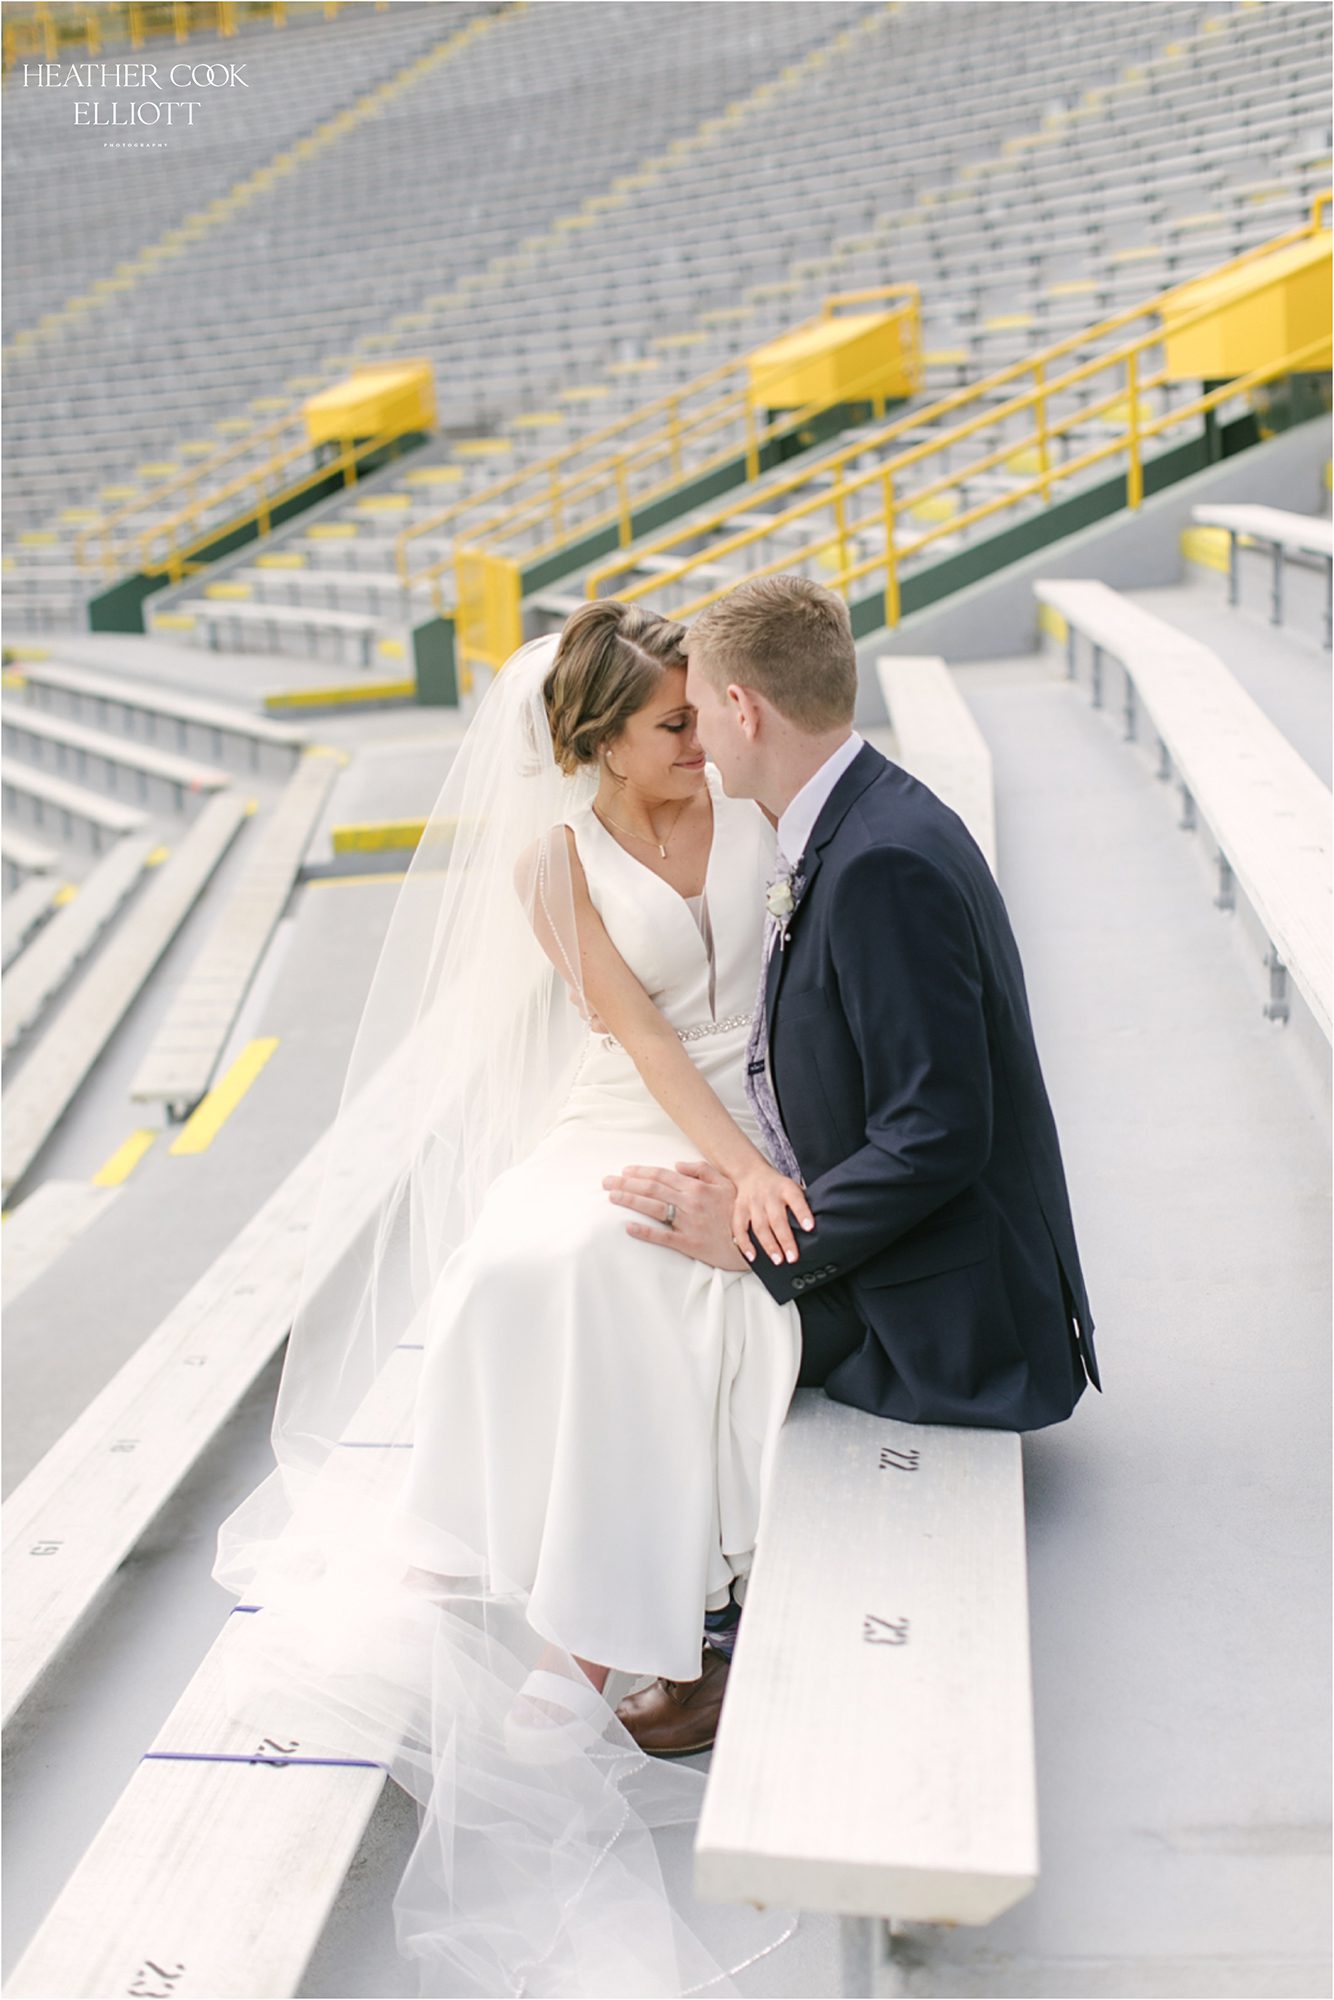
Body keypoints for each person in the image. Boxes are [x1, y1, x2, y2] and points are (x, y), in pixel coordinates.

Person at [210, 602, 838, 1998]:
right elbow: (637, 1032)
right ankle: (588, 1612)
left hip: (766, 1100)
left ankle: (590, 1644)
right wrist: (725, 1171)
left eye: (698, 712)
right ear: (597, 744)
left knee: (631, 1278)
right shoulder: (549, 868)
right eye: (670, 721)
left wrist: (752, 1165)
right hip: (632, 1106)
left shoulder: (751, 807)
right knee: (530, 1256)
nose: (699, 734)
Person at [605, 574, 1101, 1721]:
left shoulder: (877, 857)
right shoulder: (860, 815)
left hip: (953, 1311)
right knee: (647, 1277)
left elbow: (936, 1131)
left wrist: (755, 1241)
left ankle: (711, 1642)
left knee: (681, 1319)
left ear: (743, 708)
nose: (697, 739)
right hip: (913, 1248)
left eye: (698, 713)